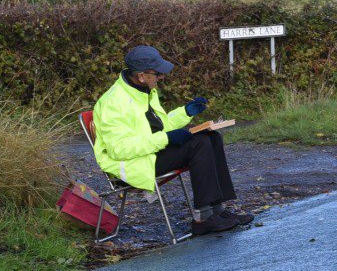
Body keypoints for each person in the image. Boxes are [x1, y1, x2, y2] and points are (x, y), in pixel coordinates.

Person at [92, 45, 253, 235]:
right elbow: (119, 149)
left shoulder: (142, 90)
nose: (161, 77)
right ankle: (203, 219)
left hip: (148, 154)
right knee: (199, 144)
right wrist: (166, 139)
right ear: (142, 75)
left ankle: (217, 210)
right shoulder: (114, 102)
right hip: (130, 165)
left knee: (211, 136)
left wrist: (186, 112)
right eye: (157, 73)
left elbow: (160, 126)